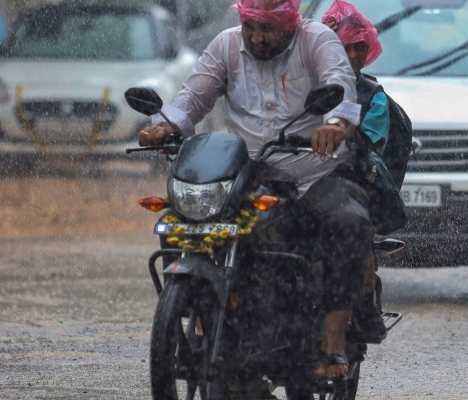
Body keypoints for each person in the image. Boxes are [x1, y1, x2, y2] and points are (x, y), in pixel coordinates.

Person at [138, 0, 373, 380]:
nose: (257, 37)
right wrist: (166, 124)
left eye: (267, 29)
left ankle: (332, 340)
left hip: (315, 173)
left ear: (290, 23)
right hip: (250, 174)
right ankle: (209, 323)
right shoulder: (227, 45)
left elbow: (339, 87)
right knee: (187, 221)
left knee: (348, 222)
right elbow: (194, 96)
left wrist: (335, 124)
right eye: (250, 27)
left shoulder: (317, 40)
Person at [323, 0, 389, 342]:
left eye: (359, 47)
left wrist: (342, 133)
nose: (352, 56)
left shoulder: (373, 96)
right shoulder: (303, 80)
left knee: (355, 228)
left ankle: (363, 306)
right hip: (301, 173)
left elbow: (370, 145)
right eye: (342, 47)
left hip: (352, 176)